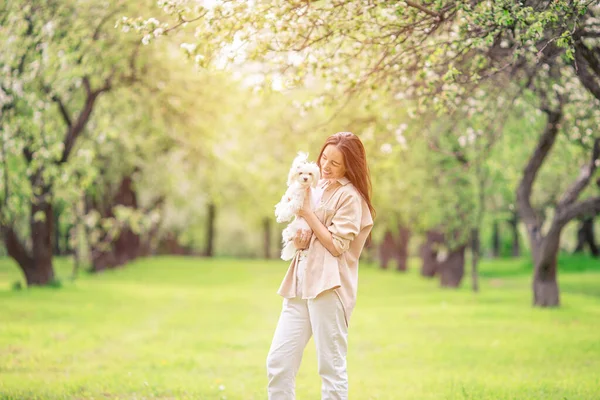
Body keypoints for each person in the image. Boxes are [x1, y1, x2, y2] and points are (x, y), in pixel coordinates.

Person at [266, 132, 375, 400]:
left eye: (335, 163)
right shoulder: (315, 187)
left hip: (329, 287)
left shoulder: (350, 197)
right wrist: (300, 239)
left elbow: (337, 245)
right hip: (300, 284)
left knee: (331, 369)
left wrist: (307, 214)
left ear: (349, 165)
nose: (325, 166)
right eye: (324, 158)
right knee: (278, 363)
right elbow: (309, 232)